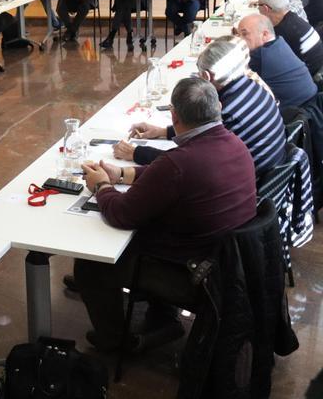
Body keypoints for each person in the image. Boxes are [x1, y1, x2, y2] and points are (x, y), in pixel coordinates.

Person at [76, 77, 257, 351]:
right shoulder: (235, 144)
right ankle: (162, 317)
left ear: (174, 115)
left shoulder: (179, 164)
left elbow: (120, 213)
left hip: (193, 277)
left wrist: (101, 185)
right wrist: (123, 174)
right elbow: (169, 175)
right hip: (228, 266)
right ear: (217, 107)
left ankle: (116, 342)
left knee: (91, 263)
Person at [115, 38, 286, 175]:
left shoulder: (226, 111)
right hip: (267, 172)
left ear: (206, 76)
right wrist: (162, 132)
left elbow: (188, 162)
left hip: (247, 181)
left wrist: (135, 153)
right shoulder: (252, 86)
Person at [237, 13, 316, 107]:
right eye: (239, 34)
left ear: (265, 34)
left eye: (245, 34)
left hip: (295, 113)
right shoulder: (280, 41)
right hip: (312, 101)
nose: (240, 39)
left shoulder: (259, 56)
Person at [258, 0, 323, 84]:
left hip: (308, 81)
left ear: (265, 8)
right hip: (317, 71)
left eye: (258, 5)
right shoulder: (293, 18)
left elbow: (269, 63)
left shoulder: (282, 33)